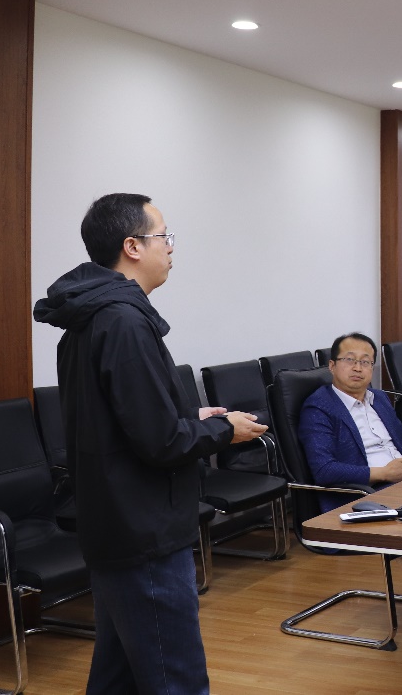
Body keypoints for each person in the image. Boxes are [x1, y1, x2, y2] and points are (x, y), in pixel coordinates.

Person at [33, 193, 267, 694]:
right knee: (174, 678)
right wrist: (226, 430)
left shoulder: (91, 316)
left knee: (118, 676)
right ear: (133, 246)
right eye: (165, 236)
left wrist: (190, 416)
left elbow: (118, 420)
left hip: (115, 522)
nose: (171, 247)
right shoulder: (122, 321)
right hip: (143, 529)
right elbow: (160, 442)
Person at [298, 332, 402, 642]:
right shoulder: (319, 408)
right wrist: (384, 474)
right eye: (350, 360)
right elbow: (323, 470)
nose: (358, 368)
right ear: (332, 366)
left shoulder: (377, 399)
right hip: (363, 497)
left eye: (366, 362)